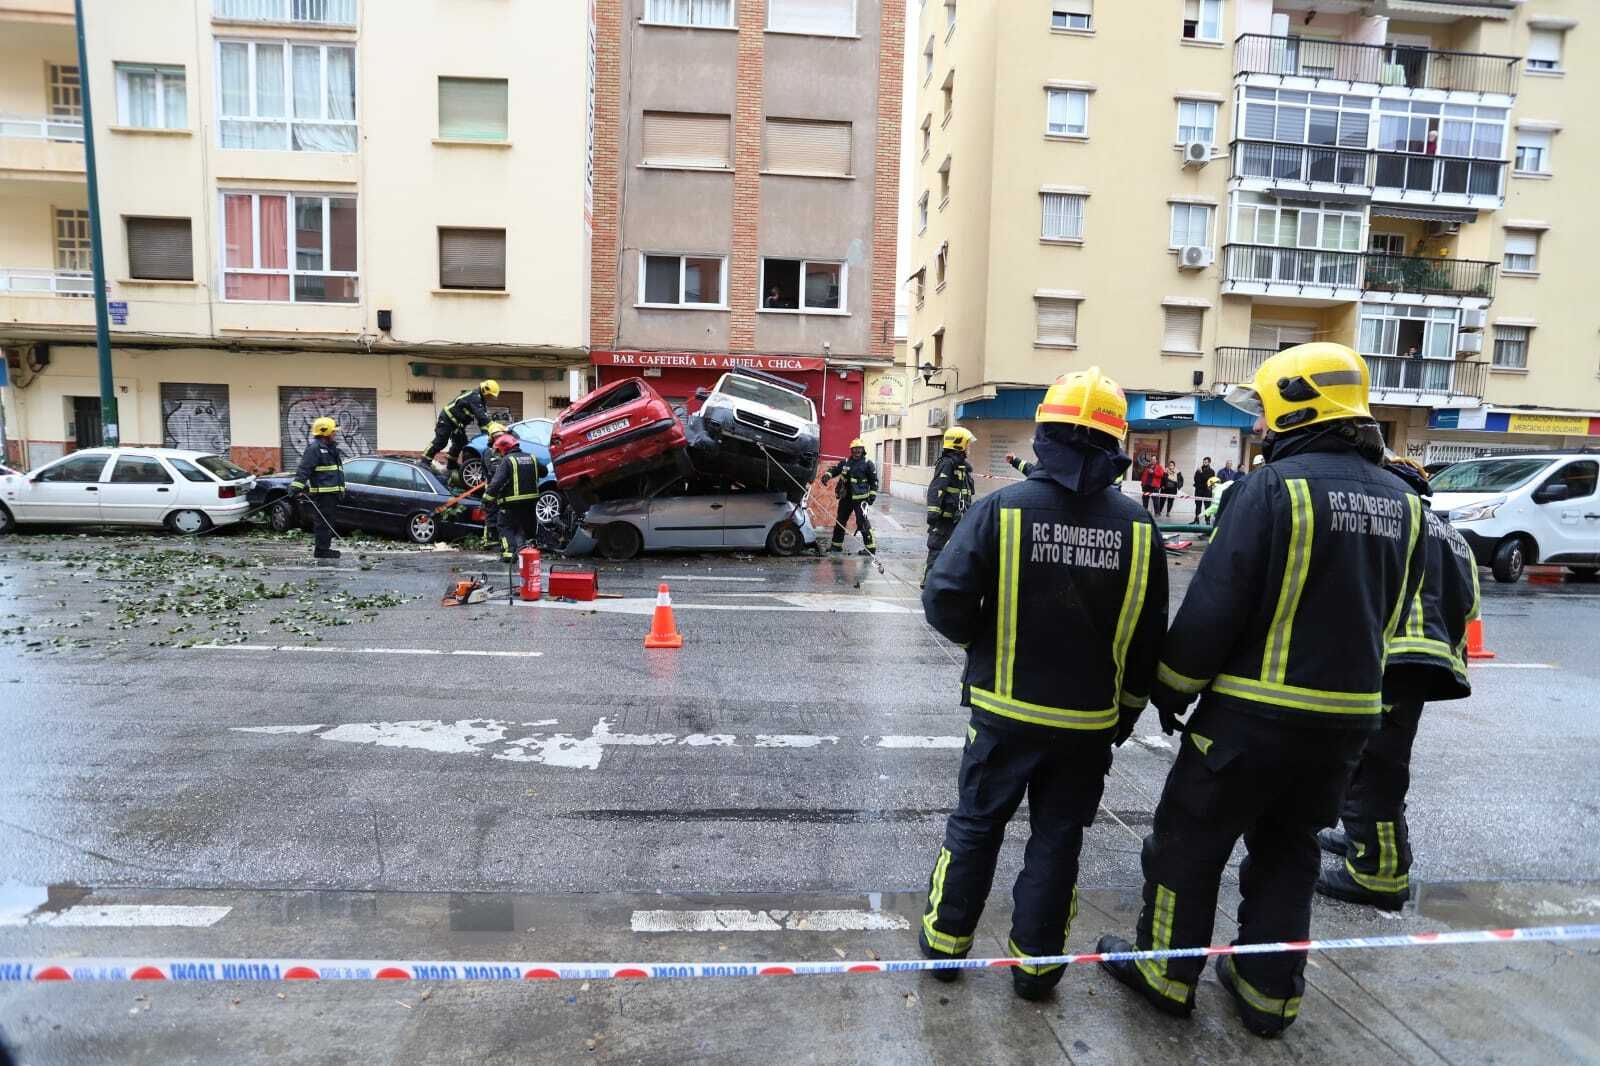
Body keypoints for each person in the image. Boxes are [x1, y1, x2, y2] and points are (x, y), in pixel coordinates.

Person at [1095, 343, 1427, 1039]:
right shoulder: (1405, 500)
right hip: (1346, 726)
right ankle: (1267, 991)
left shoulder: (1273, 489)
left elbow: (1218, 604)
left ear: (1298, 407)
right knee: (1290, 850)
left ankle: (1164, 970)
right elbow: (1395, 614)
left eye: (1267, 415)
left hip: (1252, 717)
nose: (1261, 430)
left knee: (1188, 842)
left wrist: (1169, 687)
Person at [920, 367, 1168, 1001]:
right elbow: (1147, 642)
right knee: (1059, 841)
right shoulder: (1140, 529)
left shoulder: (1001, 509)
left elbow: (945, 597)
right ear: (1115, 443)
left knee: (976, 825)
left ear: (1045, 435)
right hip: (1088, 727)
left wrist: (984, 644)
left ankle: (945, 950)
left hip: (1002, 714)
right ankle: (1037, 969)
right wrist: (1125, 716)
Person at [1316, 454, 1478, 910]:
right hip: (1426, 664)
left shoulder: (1393, 523)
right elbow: (1469, 604)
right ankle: (1362, 842)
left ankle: (1379, 873)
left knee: (1374, 769)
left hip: (1392, 658)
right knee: (1374, 760)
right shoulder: (1452, 536)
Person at [290, 416, 346, 561]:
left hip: (331, 494)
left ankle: (324, 548)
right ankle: (321, 550)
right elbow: (304, 469)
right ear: (325, 432)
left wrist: (340, 490)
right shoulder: (315, 449)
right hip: (323, 494)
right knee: (323, 523)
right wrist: (296, 486)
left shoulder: (330, 448)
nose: (335, 434)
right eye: (333, 431)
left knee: (328, 522)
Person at [423, 379, 500, 484]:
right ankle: (424, 461)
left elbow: (482, 423)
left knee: (461, 442)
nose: (491, 398)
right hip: (447, 419)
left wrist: (486, 435)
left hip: (458, 424)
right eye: (490, 395)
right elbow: (482, 417)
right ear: (485, 390)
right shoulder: (474, 397)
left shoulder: (481, 401)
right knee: (441, 441)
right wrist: (495, 428)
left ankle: (451, 465)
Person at [925, 427, 976, 582]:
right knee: (937, 549)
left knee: (957, 552)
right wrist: (933, 515)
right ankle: (929, 582)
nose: (969, 448)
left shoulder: (962, 467)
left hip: (958, 519)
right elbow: (936, 488)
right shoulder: (947, 464)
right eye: (967, 444)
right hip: (944, 520)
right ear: (958, 445)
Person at [482, 431, 542, 564]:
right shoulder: (532, 457)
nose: (499, 453)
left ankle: (509, 553)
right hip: (531, 501)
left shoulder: (507, 460)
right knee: (527, 527)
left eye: (499, 450)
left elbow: (496, 482)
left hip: (511, 502)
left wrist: (486, 499)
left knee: (504, 526)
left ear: (504, 448)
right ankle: (530, 553)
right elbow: (543, 471)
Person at [820, 439, 878, 555]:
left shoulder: (868, 464)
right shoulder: (846, 462)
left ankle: (870, 548)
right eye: (854, 449)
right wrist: (827, 475)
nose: (857, 451)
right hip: (846, 498)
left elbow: (874, 482)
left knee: (862, 523)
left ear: (863, 450)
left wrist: (872, 495)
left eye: (859, 449)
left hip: (861, 499)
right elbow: (835, 470)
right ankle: (836, 546)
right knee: (840, 522)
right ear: (851, 450)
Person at [1193, 457, 1216, 523]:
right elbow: (1196, 479)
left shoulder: (1211, 471)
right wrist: (1199, 473)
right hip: (1199, 491)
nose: (1204, 463)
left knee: (1207, 507)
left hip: (1207, 491)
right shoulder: (1199, 469)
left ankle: (1207, 520)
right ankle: (1196, 520)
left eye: (1206, 462)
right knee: (1198, 506)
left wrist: (1201, 473)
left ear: (1209, 462)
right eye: (1204, 462)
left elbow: (1207, 479)